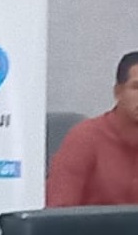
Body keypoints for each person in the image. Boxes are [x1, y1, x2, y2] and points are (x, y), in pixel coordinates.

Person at [46, 51, 138, 207]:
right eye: (136, 87)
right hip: (94, 224)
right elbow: (58, 211)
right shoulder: (84, 138)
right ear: (118, 92)